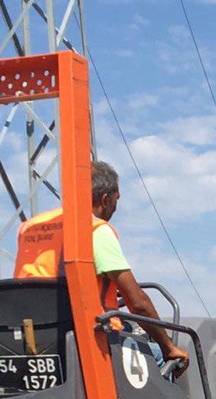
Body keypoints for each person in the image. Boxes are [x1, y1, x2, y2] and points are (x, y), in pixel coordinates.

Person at [13, 160, 188, 374]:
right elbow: (138, 303)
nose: (115, 208)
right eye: (116, 201)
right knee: (161, 357)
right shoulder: (95, 229)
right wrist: (168, 346)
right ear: (105, 200)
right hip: (90, 339)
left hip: (36, 339)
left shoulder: (29, 228)